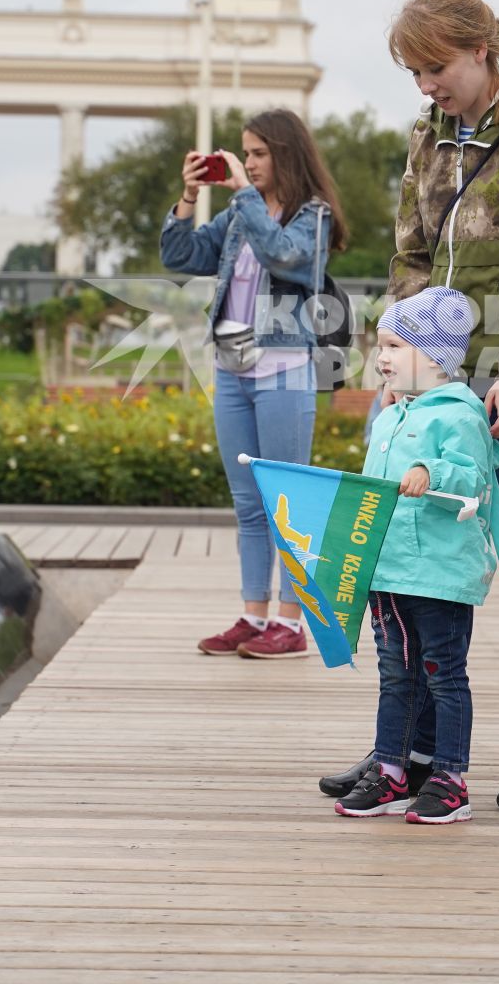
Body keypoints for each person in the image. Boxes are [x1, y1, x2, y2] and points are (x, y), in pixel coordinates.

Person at [326, 0, 499, 810]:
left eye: (435, 67)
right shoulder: (427, 135)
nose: (425, 85)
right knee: (413, 563)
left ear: (481, 49)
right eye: (413, 71)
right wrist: (394, 361)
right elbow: (408, 254)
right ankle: (412, 755)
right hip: (432, 380)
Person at [330, 288, 499, 825]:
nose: (381, 358)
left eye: (393, 345)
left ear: (435, 356)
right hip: (388, 570)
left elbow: (474, 477)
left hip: (437, 574)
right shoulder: (392, 417)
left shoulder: (460, 413)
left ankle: (450, 779)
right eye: (380, 346)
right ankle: (391, 770)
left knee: (443, 673)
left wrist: (432, 473)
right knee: (395, 675)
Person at [161, 108, 348, 661]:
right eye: (245, 153)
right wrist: (189, 199)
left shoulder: (311, 216)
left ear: (285, 155)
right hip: (231, 368)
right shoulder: (240, 215)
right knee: (247, 504)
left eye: (259, 153)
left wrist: (241, 195)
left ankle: (292, 625)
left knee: (286, 501)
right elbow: (180, 256)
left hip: (284, 368)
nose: (248, 163)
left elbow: (285, 256)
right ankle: (253, 615)